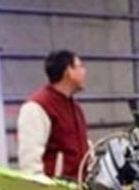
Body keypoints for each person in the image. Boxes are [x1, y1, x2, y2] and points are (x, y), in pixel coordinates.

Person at [17, 49, 89, 180]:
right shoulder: (37, 107)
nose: (84, 72)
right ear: (69, 71)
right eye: (80, 67)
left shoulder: (74, 107)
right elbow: (29, 159)